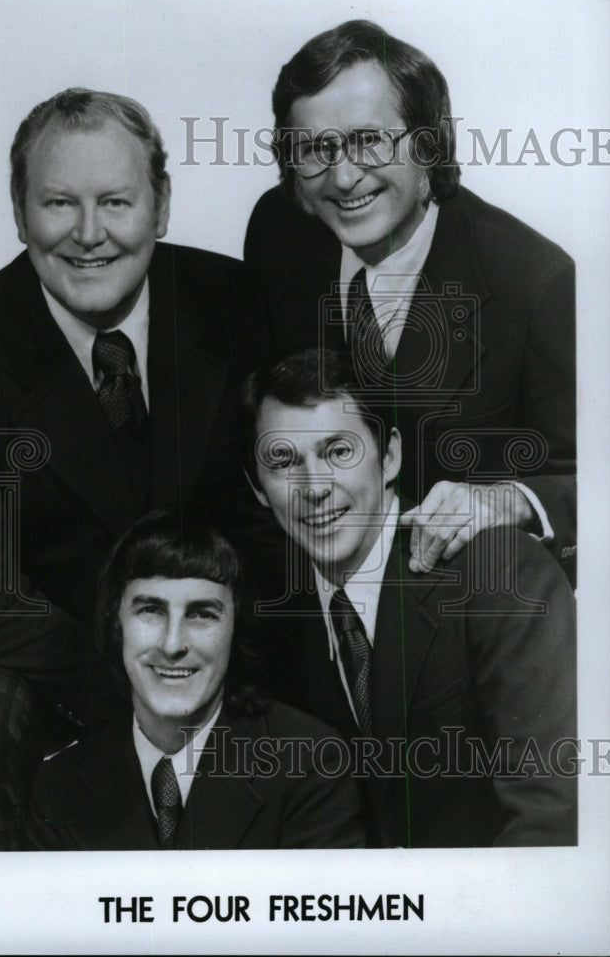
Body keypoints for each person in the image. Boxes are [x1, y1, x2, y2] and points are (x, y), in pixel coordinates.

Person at [0, 88, 267, 849]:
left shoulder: (234, 299)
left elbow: (274, 511)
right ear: (19, 214)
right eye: (59, 203)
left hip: (227, 649)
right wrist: (134, 680)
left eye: (116, 202)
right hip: (64, 671)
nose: (89, 236)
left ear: (161, 206)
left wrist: (217, 663)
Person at [244, 19, 576, 586]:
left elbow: (592, 477)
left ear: (429, 142)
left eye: (369, 140)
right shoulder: (279, 233)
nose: (345, 178)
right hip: (317, 607)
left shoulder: (534, 281)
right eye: (316, 150)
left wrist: (509, 500)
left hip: (460, 607)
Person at [242, 348, 577, 847]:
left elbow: (554, 813)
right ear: (257, 487)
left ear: (390, 455)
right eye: (284, 461)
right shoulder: (275, 628)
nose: (314, 488)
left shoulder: (496, 572)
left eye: (338, 452)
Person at [27, 510, 365, 850]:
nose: (173, 645)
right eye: (151, 611)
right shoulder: (61, 786)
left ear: (236, 629)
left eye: (202, 614)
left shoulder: (308, 764)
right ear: (116, 624)